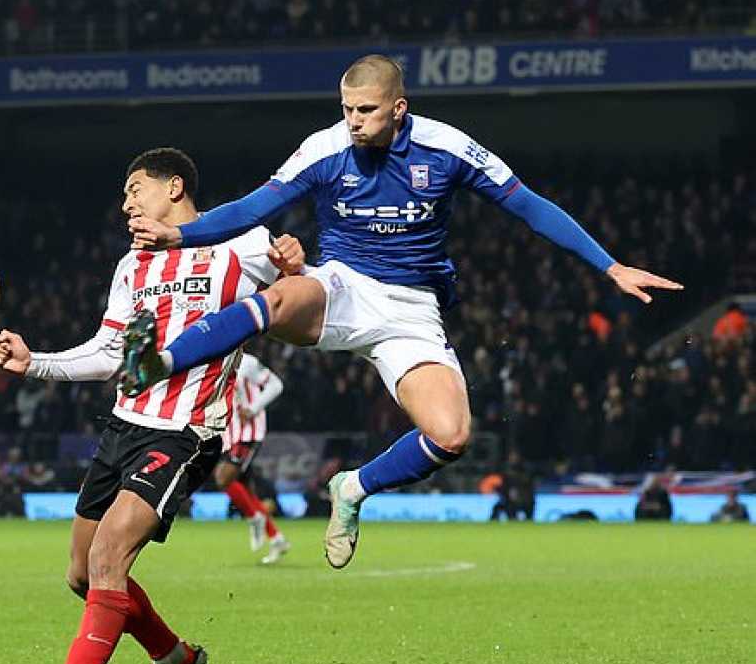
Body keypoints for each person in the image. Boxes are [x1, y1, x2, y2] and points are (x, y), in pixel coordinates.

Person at [122, 53, 683, 569]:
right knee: (276, 298)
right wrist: (180, 235)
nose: (354, 121)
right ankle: (158, 363)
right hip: (342, 285)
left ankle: (353, 488)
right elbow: (253, 207)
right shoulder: (324, 147)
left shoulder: (447, 148)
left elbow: (528, 206)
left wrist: (609, 266)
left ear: (398, 108)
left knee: (451, 435)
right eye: (346, 109)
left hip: (412, 311)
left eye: (366, 110)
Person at [0, 147, 302, 664]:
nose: (127, 201)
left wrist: (294, 265)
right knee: (82, 576)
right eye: (125, 194)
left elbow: (306, 300)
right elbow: (109, 352)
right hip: (123, 427)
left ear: (174, 188)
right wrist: (35, 364)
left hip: (184, 432)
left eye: (136, 189)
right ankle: (172, 656)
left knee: (109, 558)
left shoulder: (241, 245)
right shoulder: (132, 265)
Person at [215, 352, 290, 563]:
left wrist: (253, 408)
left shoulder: (247, 362)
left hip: (248, 433)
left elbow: (276, 385)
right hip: (229, 433)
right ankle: (277, 539)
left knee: (223, 478)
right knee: (245, 490)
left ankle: (254, 517)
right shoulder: (213, 360)